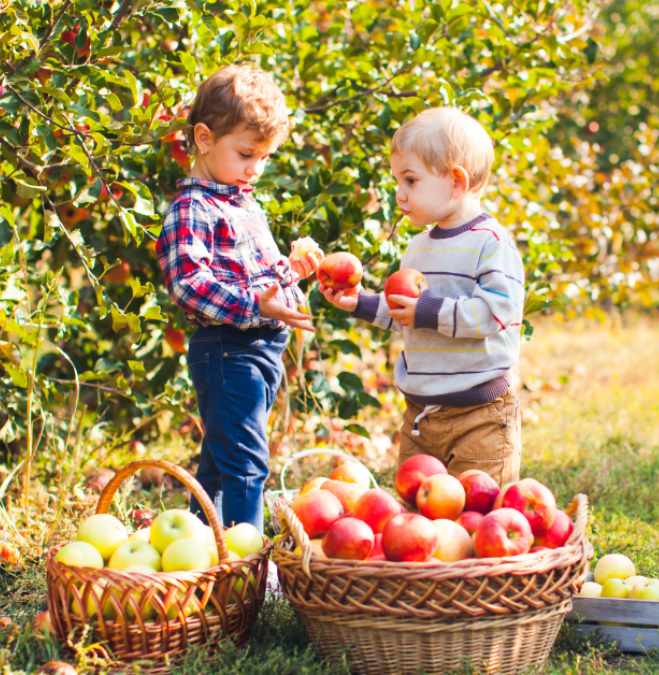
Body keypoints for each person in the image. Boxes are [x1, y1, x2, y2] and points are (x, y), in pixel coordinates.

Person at [320, 107, 524, 486]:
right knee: (414, 518)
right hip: (421, 416)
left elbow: (498, 313)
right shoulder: (417, 247)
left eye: (410, 180)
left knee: (476, 518)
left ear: (456, 182)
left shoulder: (491, 243)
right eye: (398, 180)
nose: (399, 194)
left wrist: (427, 311)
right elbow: (410, 319)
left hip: (479, 414)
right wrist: (361, 302)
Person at [157, 64, 321, 531]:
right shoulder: (193, 207)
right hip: (228, 352)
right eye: (247, 153)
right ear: (204, 139)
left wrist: (294, 271)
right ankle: (246, 561)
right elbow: (189, 283)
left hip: (262, 352)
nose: (256, 168)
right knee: (248, 461)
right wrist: (255, 307)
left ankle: (197, 544)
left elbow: (259, 281)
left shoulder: (242, 200)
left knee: (220, 457)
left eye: (265, 158)